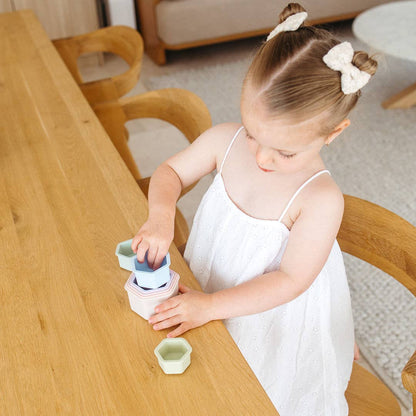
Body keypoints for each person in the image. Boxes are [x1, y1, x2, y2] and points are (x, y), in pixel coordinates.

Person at [131, 3, 377, 414]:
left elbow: (289, 281)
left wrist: (211, 306)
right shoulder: (224, 140)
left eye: (284, 151)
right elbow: (171, 171)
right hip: (210, 283)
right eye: (252, 132)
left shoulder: (319, 199)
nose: (261, 158)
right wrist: (160, 217)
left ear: (333, 133)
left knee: (257, 389)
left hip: (271, 313)